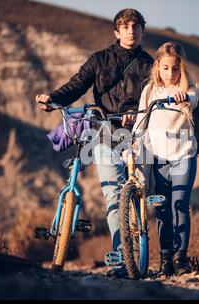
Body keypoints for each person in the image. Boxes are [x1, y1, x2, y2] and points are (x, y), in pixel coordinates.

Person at [36, 8, 154, 277]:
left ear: (142, 31)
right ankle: (122, 259)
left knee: (137, 194)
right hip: (103, 134)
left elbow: (154, 97)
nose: (131, 31)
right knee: (113, 195)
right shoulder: (100, 60)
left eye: (136, 27)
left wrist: (136, 117)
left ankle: (139, 253)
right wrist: (52, 100)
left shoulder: (150, 65)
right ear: (116, 32)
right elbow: (76, 84)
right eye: (125, 27)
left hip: (136, 135)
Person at [132, 41, 199, 276]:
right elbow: (141, 121)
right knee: (161, 209)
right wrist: (134, 141)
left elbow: (193, 99)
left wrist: (184, 100)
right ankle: (165, 261)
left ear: (182, 68)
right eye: (166, 68)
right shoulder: (150, 90)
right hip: (158, 158)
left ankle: (181, 259)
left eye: (176, 68)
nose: (171, 73)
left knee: (179, 205)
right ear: (157, 67)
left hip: (184, 155)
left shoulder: (190, 88)